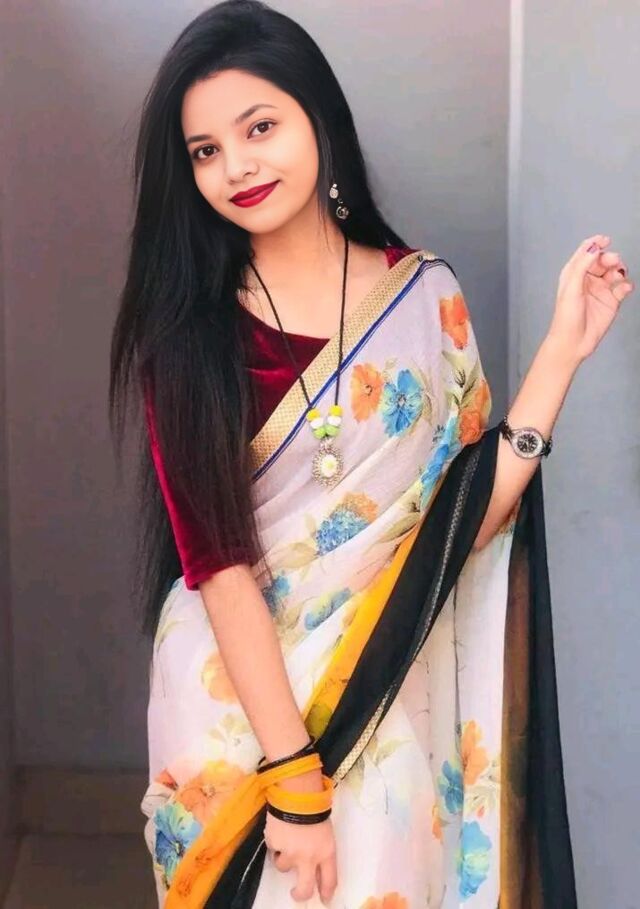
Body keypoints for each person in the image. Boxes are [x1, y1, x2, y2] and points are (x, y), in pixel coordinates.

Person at [108, 2, 633, 907]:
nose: (237, 166)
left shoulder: (423, 299)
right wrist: (293, 778)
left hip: (392, 699)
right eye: (205, 150)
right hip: (244, 722)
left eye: (259, 127)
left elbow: (462, 526)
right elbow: (220, 568)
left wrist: (561, 352)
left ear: (318, 117)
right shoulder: (189, 334)